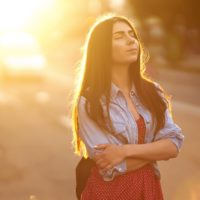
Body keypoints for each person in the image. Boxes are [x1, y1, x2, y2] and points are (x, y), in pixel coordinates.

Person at [72, 14, 184, 200]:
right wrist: (155, 151)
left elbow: (173, 145)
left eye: (131, 34)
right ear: (102, 49)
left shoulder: (153, 92)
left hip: (149, 189)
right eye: (119, 37)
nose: (131, 40)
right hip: (107, 193)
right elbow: (110, 165)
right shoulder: (89, 101)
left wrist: (124, 151)